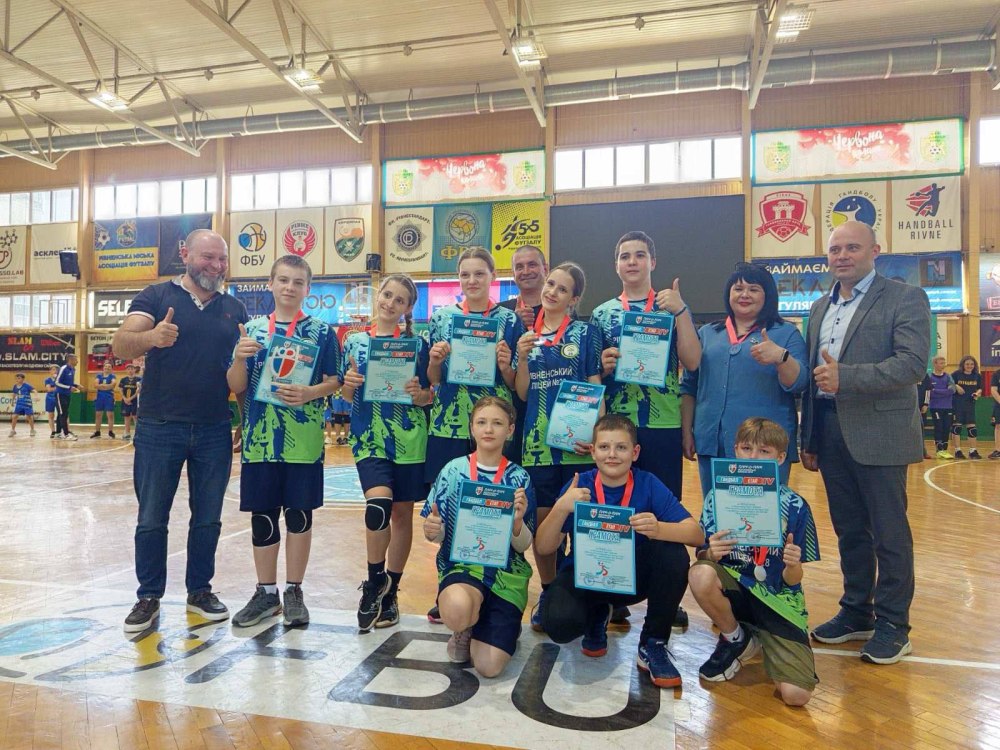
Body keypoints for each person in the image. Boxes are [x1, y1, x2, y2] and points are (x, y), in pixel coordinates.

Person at [800, 220, 930, 665]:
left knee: (889, 534)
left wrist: (847, 377)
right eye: (835, 249)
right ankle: (857, 611)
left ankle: (894, 625)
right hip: (829, 430)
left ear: (875, 250)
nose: (842, 256)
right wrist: (810, 435)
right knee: (850, 531)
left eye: (852, 248)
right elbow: (813, 380)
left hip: (881, 433)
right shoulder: (819, 307)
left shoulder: (904, 297)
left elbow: (912, 364)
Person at [112, 228, 248, 633]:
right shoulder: (156, 297)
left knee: (208, 518)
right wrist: (152, 337)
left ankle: (200, 591)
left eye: (222, 259)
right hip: (159, 426)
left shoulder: (235, 309)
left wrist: (245, 420)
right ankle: (148, 596)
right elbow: (121, 343)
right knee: (152, 517)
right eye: (208, 257)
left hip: (214, 428)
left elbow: (241, 372)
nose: (216, 266)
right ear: (185, 253)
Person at [535, 414, 702, 688]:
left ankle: (653, 643)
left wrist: (659, 529)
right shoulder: (579, 485)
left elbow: (695, 534)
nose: (612, 454)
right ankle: (597, 613)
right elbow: (543, 546)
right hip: (585, 579)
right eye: (604, 447)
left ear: (635, 453)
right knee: (559, 625)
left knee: (674, 555)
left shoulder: (648, 483)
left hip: (630, 581)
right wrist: (561, 507)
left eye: (621, 447)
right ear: (593, 451)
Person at [227, 255, 341, 629]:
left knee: (298, 516)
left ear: (308, 288)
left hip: (303, 443)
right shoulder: (252, 330)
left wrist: (310, 393)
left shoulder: (322, 332)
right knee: (263, 517)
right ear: (271, 284)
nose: (290, 287)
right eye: (284, 280)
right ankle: (265, 593)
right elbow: (236, 386)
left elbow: (335, 381)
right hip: (260, 441)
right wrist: (239, 359)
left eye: (298, 282)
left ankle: (294, 591)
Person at [690, 418, 820, 707]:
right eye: (747, 449)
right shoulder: (717, 497)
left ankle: (764, 636)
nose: (753, 458)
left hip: (777, 599)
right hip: (736, 590)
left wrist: (792, 565)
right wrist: (711, 553)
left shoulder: (796, 505)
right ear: (736, 450)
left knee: (796, 696)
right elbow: (701, 556)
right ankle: (736, 636)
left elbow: (793, 580)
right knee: (700, 574)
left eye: (764, 451)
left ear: (780, 457)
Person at [425, 248, 520, 623]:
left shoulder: (508, 321)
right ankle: (449, 586)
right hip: (448, 425)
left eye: (479, 273)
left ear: (492, 276)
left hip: (491, 427)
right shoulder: (442, 318)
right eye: (465, 274)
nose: (472, 281)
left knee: (490, 507)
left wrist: (504, 366)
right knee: (447, 511)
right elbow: (433, 380)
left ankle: (490, 585)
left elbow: (515, 381)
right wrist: (435, 361)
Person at [342, 274, 433, 632]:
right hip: (369, 437)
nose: (390, 303)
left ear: (408, 308)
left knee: (401, 515)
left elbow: (429, 395)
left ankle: (391, 592)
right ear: (377, 295)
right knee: (378, 505)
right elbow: (346, 396)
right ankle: (374, 581)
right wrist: (349, 385)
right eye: (387, 295)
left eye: (400, 300)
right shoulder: (355, 341)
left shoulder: (418, 345)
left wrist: (420, 394)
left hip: (409, 439)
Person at [514, 262, 603, 630]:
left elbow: (595, 385)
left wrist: (597, 439)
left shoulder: (585, 333)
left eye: (562, 289)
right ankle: (550, 593)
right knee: (545, 528)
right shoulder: (526, 335)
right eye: (550, 284)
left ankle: (586, 598)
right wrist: (521, 357)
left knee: (580, 524)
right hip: (537, 447)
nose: (552, 292)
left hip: (577, 446)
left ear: (574, 299)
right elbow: (522, 393)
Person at [420, 396, 535, 677]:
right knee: (457, 609)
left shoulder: (519, 478)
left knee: (489, 667)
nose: (489, 429)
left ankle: (499, 623)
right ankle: (466, 625)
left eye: (497, 423)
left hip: (506, 576)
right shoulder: (453, 471)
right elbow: (435, 532)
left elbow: (524, 544)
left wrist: (517, 522)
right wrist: (433, 529)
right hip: (462, 568)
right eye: (482, 422)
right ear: (472, 428)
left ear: (510, 430)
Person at [591, 231, 701, 501]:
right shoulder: (601, 314)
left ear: (653, 262)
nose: (632, 262)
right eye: (625, 257)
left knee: (663, 503)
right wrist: (603, 366)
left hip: (664, 422)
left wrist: (681, 310)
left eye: (640, 255)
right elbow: (591, 376)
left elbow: (692, 361)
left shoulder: (671, 308)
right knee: (620, 503)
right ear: (616, 266)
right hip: (616, 424)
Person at [681, 262, 808, 495]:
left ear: (767, 295)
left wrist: (781, 357)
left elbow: (800, 383)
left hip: (764, 447)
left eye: (754, 289)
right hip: (712, 442)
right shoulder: (708, 333)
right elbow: (689, 386)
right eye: (738, 289)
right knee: (716, 510)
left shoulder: (785, 333)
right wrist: (687, 431)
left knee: (762, 513)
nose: (744, 295)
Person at [498, 244, 549, 465]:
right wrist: (514, 323)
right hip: (512, 407)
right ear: (513, 273)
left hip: (548, 400)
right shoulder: (502, 312)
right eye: (519, 267)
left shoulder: (560, 309)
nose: (526, 271)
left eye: (532, 265)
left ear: (545, 268)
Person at [950, 355, 983, 459]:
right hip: (957, 404)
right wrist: (956, 386)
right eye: (967, 364)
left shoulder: (977, 376)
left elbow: (980, 388)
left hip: (970, 404)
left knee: (972, 429)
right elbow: (948, 384)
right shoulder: (956, 374)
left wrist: (977, 393)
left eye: (972, 364)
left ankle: (973, 451)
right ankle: (957, 451)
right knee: (957, 428)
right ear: (963, 365)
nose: (969, 366)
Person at [925, 355, 957, 460]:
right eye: (941, 363)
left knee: (946, 428)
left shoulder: (948, 376)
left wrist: (937, 391)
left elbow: (952, 390)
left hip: (948, 407)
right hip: (935, 407)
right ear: (935, 364)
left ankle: (945, 449)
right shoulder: (929, 377)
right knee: (939, 427)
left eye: (944, 363)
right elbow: (930, 393)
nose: (943, 365)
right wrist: (944, 392)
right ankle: (939, 450)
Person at [54, 354, 81, 440]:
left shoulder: (73, 369)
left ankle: (58, 433)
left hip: (67, 394)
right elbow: (57, 382)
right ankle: (66, 434)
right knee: (63, 414)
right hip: (60, 394)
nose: (77, 361)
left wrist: (76, 385)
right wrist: (69, 387)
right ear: (70, 360)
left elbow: (69, 383)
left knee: (62, 413)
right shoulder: (63, 368)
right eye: (76, 360)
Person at [91, 360, 117, 439]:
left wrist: (102, 386)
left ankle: (110, 432)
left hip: (109, 397)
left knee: (110, 415)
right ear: (103, 367)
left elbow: (113, 384)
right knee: (98, 415)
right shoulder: (99, 375)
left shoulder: (112, 376)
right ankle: (97, 432)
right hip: (99, 397)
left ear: (111, 368)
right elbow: (95, 385)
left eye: (109, 367)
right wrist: (107, 386)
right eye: (106, 366)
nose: (107, 368)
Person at [118, 364, 141, 441]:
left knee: (135, 416)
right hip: (125, 400)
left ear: (134, 370)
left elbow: (138, 391)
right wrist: (125, 398)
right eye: (128, 369)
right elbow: (120, 389)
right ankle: (127, 433)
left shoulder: (138, 379)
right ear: (126, 370)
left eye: (132, 368)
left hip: (135, 401)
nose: (130, 370)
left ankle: (138, 434)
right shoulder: (123, 380)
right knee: (127, 417)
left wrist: (131, 398)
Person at [9, 373, 36, 437]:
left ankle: (32, 430)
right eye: (16, 378)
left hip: (27, 404)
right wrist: (12, 401)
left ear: (23, 379)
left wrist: (36, 396)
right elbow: (14, 394)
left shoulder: (27, 385)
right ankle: (13, 430)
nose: (17, 379)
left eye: (19, 378)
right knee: (14, 416)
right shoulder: (15, 386)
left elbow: (34, 390)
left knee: (29, 417)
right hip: (19, 404)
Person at [44, 364, 58, 438]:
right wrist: (58, 388)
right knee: (51, 415)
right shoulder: (47, 380)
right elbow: (49, 389)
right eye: (53, 369)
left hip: (59, 398)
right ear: (50, 371)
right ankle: (53, 431)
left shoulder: (60, 379)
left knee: (63, 415)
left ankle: (64, 431)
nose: (55, 371)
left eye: (56, 369)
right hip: (50, 398)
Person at [990, 368, 1000, 460]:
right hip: (998, 404)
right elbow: (993, 390)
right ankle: (998, 450)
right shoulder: (996, 374)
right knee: (998, 426)